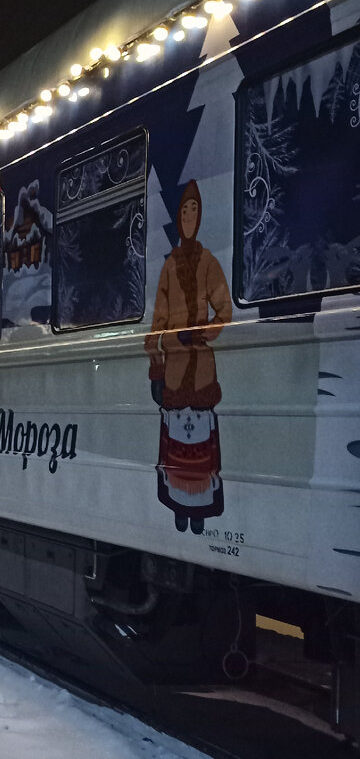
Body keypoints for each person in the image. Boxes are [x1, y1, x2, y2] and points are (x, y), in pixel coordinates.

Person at [144, 180, 232, 535]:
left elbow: (224, 310)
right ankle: (181, 508)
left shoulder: (209, 262)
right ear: (179, 218)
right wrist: (156, 369)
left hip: (202, 373)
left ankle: (200, 512)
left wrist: (202, 333)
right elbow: (157, 324)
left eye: (194, 210)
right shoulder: (169, 267)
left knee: (200, 446)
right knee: (180, 447)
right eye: (184, 210)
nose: (189, 217)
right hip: (178, 374)